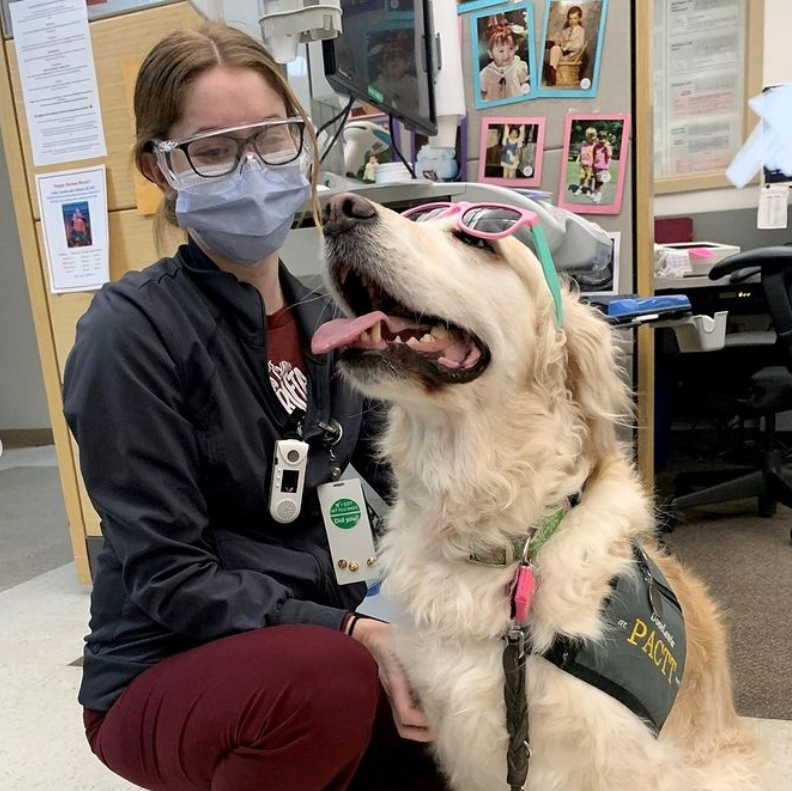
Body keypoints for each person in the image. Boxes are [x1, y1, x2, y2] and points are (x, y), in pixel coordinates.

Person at [63, 22, 445, 791]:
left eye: (272, 138)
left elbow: (409, 472)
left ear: (303, 142)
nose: (253, 169)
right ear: (160, 168)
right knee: (329, 678)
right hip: (162, 664)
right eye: (212, 149)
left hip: (304, 642)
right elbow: (171, 575)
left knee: (450, 720)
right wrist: (351, 628)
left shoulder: (324, 326)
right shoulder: (129, 333)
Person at [479, 15, 530, 102]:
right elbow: (482, 94)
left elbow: (524, 85)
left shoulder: (518, 66)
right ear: (491, 54)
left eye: (510, 48)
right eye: (501, 51)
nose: (506, 55)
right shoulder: (486, 73)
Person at [547, 4, 586, 86]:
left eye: (575, 18)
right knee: (555, 48)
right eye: (570, 18)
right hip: (563, 55)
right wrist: (558, 42)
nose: (572, 21)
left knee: (575, 45)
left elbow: (579, 46)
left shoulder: (581, 31)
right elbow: (561, 40)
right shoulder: (566, 31)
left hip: (572, 56)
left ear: (579, 18)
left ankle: (557, 47)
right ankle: (552, 73)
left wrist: (565, 45)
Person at [569, 126, 597, 196]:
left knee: (589, 178)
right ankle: (580, 189)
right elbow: (581, 152)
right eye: (588, 136)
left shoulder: (595, 145)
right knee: (582, 177)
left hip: (591, 165)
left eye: (592, 136)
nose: (590, 138)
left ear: (594, 136)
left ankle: (589, 190)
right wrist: (578, 159)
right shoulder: (584, 144)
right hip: (583, 164)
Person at [591, 129, 613, 203]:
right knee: (596, 181)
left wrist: (606, 148)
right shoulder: (596, 146)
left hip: (603, 168)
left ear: (606, 139)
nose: (601, 140)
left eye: (603, 138)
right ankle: (595, 193)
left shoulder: (608, 147)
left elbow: (609, 155)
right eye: (599, 138)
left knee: (599, 182)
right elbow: (594, 154)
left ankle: (598, 196)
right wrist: (593, 164)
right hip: (596, 166)